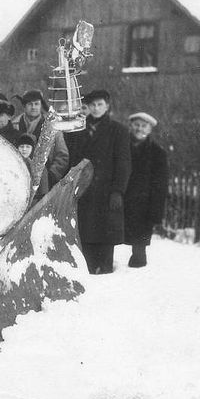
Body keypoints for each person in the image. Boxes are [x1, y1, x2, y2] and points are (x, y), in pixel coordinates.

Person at [69, 89, 131, 274]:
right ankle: (87, 269)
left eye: (100, 105)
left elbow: (124, 163)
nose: (96, 109)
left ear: (107, 106)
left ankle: (105, 269)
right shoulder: (79, 129)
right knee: (85, 232)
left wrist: (118, 191)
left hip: (106, 191)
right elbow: (73, 158)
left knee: (105, 233)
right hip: (85, 189)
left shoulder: (118, 130)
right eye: (93, 105)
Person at [124, 112, 169, 268]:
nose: (139, 129)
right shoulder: (121, 146)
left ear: (150, 129)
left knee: (139, 246)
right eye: (136, 125)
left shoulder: (157, 153)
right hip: (121, 200)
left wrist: (156, 211)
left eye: (144, 126)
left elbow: (160, 185)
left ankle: (138, 272)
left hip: (143, 205)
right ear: (130, 126)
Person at [14, 89, 69, 189]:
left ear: (41, 105)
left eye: (36, 104)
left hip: (46, 180)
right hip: (19, 181)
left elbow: (62, 155)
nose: (33, 107)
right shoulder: (15, 125)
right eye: (30, 104)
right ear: (24, 106)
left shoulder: (52, 125)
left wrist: (52, 175)